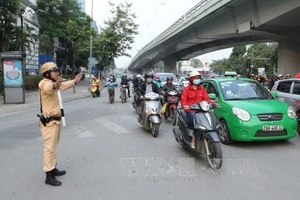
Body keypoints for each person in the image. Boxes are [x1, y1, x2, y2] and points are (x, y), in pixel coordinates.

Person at [38, 62, 82, 186]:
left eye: (57, 70)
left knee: (53, 147)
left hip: (55, 121)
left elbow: (61, 86)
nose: (57, 72)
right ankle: (48, 175)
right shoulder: (44, 83)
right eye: (55, 71)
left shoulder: (55, 84)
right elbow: (49, 88)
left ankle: (53, 168)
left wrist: (74, 81)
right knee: (49, 148)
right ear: (47, 73)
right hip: (49, 122)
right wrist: (56, 84)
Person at [180, 71, 214, 148]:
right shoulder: (187, 89)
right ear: (191, 79)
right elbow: (183, 99)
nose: (197, 79)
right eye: (195, 78)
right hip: (191, 111)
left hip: (201, 110)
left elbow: (206, 98)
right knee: (195, 120)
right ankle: (193, 138)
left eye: (198, 78)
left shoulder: (201, 88)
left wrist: (212, 103)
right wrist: (185, 105)